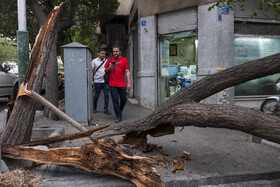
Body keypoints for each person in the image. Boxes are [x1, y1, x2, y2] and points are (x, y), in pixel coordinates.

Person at [104, 45, 131, 123]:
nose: (115, 53)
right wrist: (110, 67)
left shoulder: (124, 60)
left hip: (122, 84)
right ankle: (118, 116)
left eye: (116, 51)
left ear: (120, 52)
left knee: (123, 99)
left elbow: (127, 71)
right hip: (112, 84)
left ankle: (119, 110)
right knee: (115, 100)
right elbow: (105, 70)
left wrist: (129, 83)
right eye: (113, 51)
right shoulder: (109, 59)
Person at [92, 48, 111, 115]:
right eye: (102, 53)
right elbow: (92, 71)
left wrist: (110, 67)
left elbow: (108, 70)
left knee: (106, 95)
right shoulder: (94, 61)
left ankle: (105, 109)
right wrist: (92, 80)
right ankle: (94, 107)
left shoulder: (107, 61)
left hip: (105, 81)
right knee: (96, 95)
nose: (103, 55)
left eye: (104, 54)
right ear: (99, 53)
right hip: (97, 81)